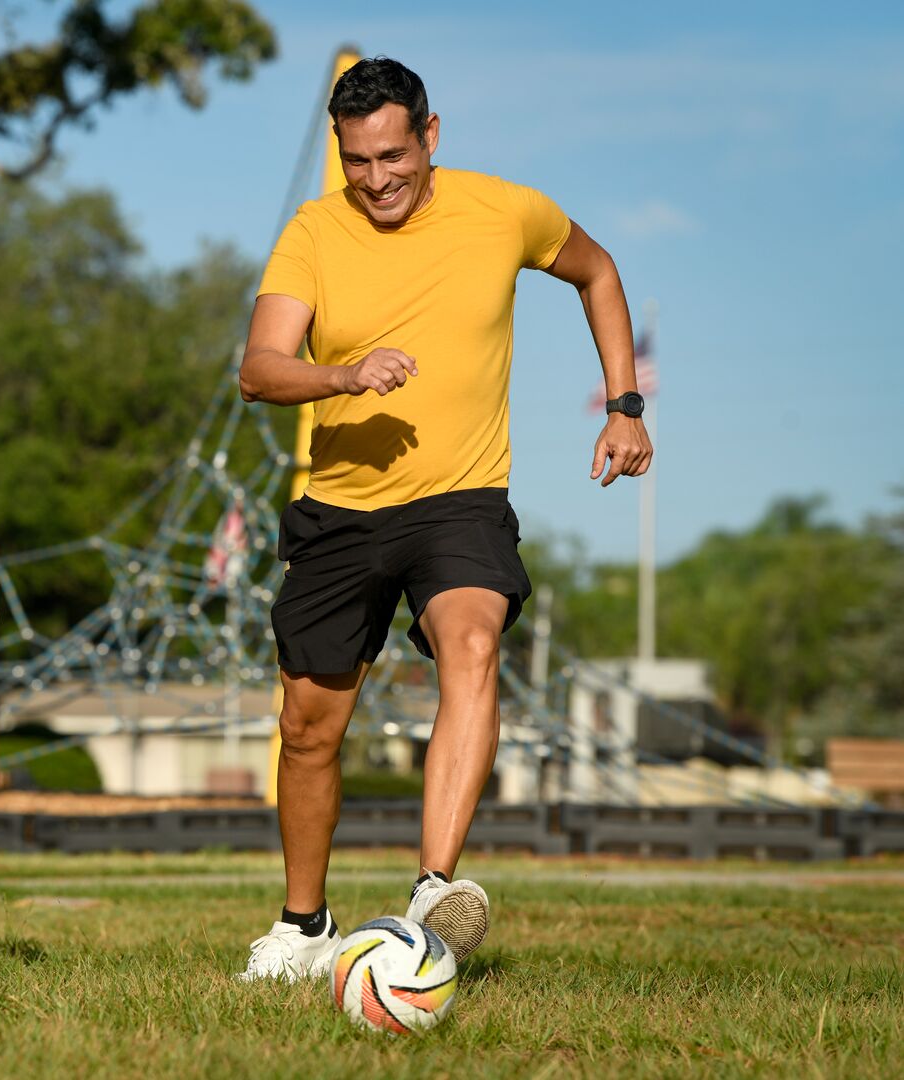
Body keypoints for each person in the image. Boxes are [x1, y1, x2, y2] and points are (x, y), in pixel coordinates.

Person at [236, 57, 652, 980]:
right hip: (340, 509)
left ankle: (433, 890)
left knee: (472, 644)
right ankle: (303, 927)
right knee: (309, 727)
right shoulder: (314, 231)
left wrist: (624, 404)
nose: (377, 179)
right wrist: (343, 373)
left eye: (393, 154)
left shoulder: (505, 210)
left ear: (431, 135)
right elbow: (260, 368)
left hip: (460, 499)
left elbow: (600, 271)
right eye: (357, 162)